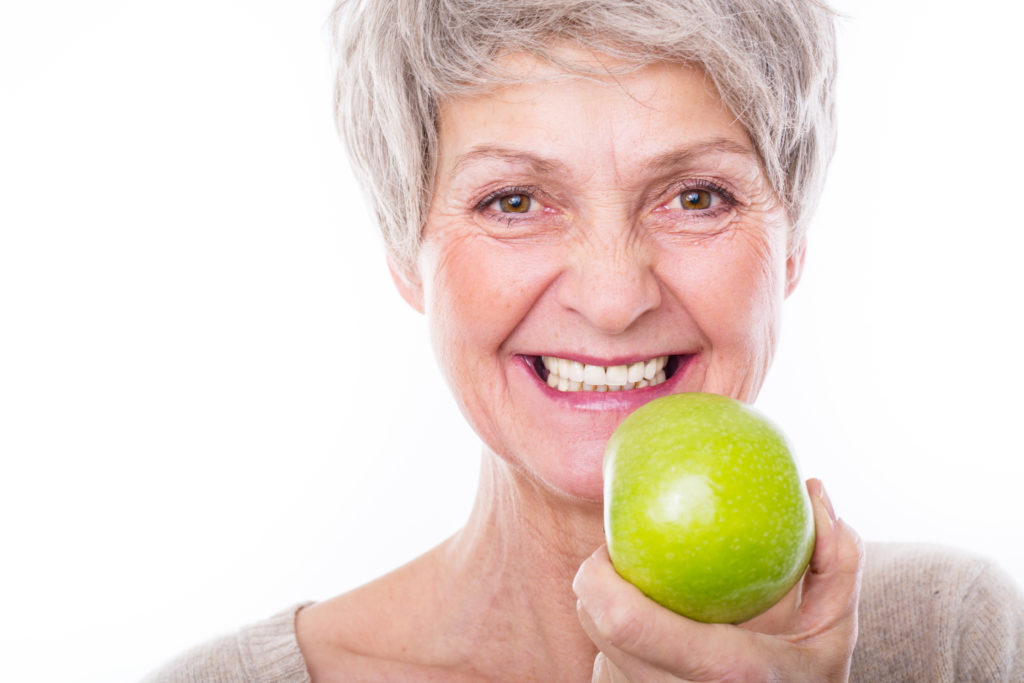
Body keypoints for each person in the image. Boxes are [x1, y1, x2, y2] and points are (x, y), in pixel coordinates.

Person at [144, 0, 1024, 680]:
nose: (611, 299)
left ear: (792, 241)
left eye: (696, 196)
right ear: (405, 253)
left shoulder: (949, 638)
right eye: (514, 201)